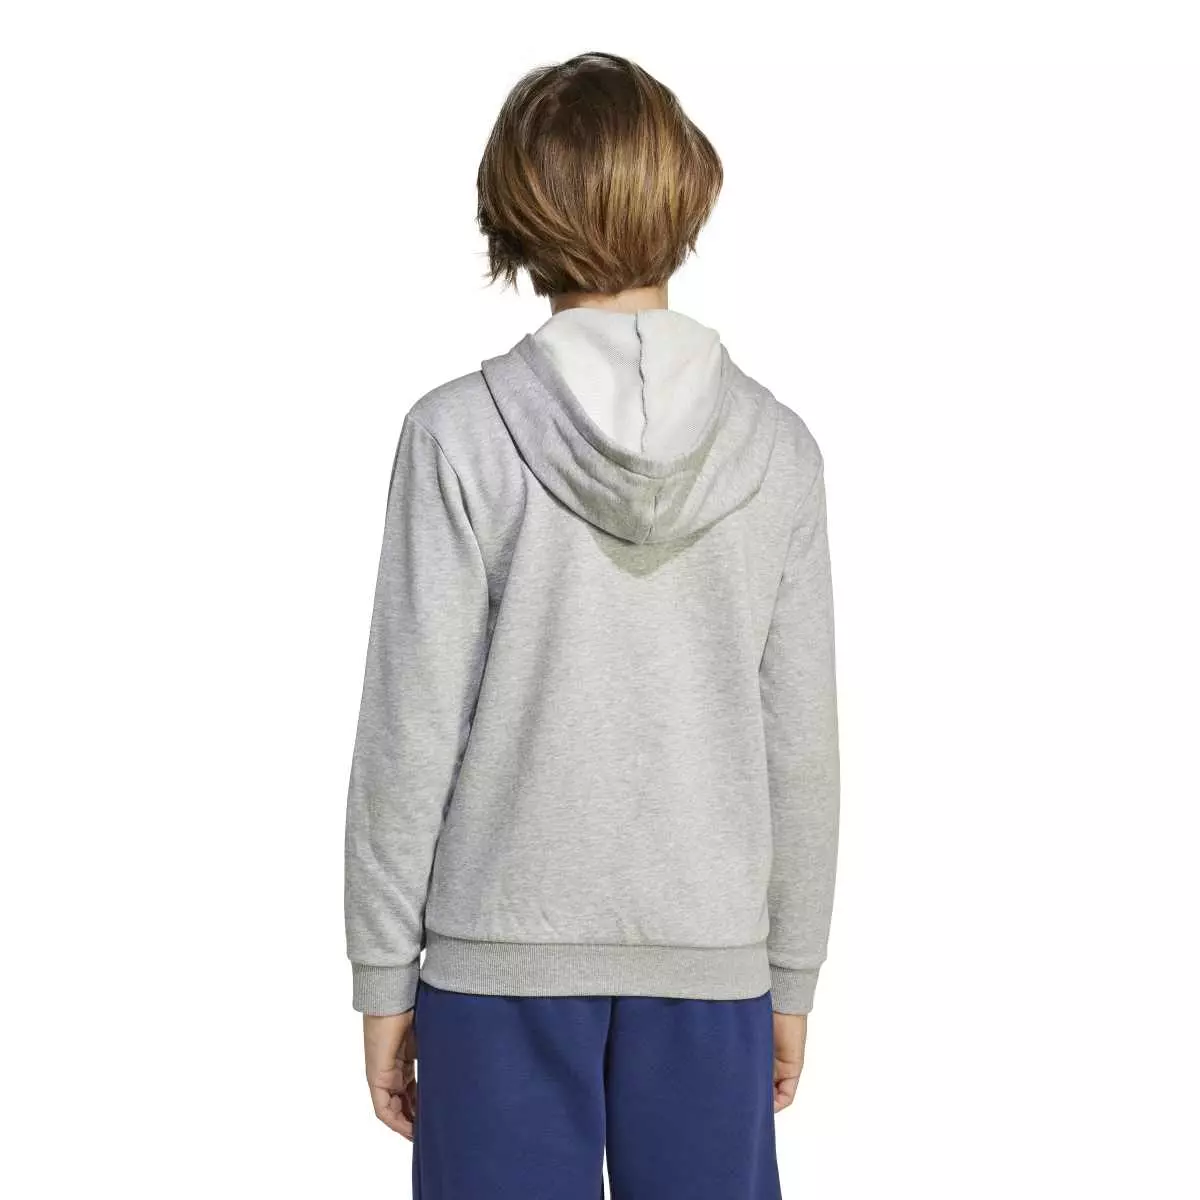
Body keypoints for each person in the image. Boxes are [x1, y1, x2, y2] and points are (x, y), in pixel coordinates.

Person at [344, 50, 840, 1199]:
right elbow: (801, 745)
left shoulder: (460, 435)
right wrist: (791, 971)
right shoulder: (778, 451)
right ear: (687, 191)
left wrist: (381, 974)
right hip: (711, 964)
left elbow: (410, 731)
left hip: (498, 961)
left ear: (513, 212)